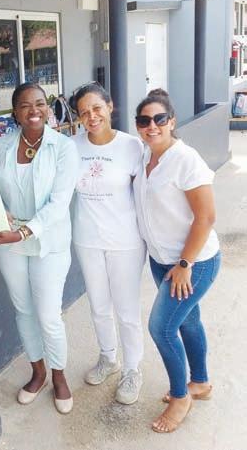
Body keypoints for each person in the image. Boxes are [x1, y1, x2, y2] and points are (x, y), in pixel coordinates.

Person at [0, 82, 79, 414]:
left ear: (48, 107)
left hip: (48, 240)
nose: (34, 110)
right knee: (24, 310)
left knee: (48, 315)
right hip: (9, 241)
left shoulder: (64, 147)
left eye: (40, 103)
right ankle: (37, 372)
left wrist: (25, 231)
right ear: (15, 112)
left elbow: (59, 203)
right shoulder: (1, 146)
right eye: (25, 105)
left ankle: (59, 376)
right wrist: (1, 214)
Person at [133, 89, 221, 433]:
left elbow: (206, 217)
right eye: (144, 120)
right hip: (162, 260)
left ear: (171, 121)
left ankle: (181, 396)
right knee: (187, 321)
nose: (151, 126)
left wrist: (184, 265)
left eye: (159, 119)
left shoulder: (186, 159)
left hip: (193, 263)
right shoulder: (145, 156)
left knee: (162, 327)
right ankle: (199, 382)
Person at [69, 82, 146, 404]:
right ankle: (108, 357)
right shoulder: (71, 146)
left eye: (97, 108)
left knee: (127, 310)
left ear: (110, 106)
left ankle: (132, 369)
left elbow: (147, 193)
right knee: (99, 306)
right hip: (87, 238)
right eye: (84, 112)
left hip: (126, 241)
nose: (92, 116)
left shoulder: (132, 147)